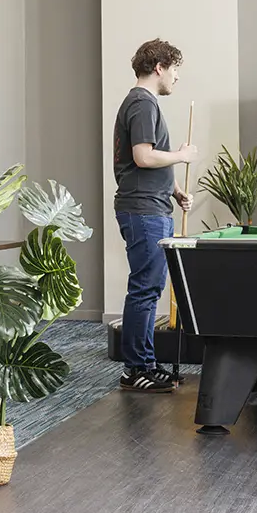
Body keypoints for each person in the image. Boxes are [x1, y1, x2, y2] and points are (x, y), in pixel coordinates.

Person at [113, 40, 198, 393]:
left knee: (150, 288)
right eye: (175, 69)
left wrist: (175, 189)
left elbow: (149, 159)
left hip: (152, 205)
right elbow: (144, 157)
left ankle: (145, 362)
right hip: (143, 210)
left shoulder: (143, 104)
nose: (176, 77)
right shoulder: (142, 103)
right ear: (160, 66)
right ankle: (136, 368)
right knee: (145, 289)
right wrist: (181, 155)